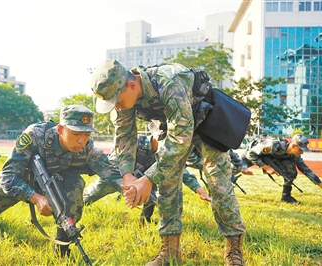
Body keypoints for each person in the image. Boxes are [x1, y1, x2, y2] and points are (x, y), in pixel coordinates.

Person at [90, 59, 246, 266]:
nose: (117, 106)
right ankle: (170, 251)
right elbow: (124, 137)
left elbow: (181, 138)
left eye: (117, 101)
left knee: (219, 183)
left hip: (205, 122)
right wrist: (128, 176)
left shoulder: (168, 81)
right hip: (172, 127)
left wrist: (147, 179)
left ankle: (234, 250)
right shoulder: (123, 95)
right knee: (167, 184)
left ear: (131, 85)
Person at [0, 105, 122, 258]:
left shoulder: (87, 147)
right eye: (76, 133)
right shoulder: (35, 135)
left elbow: (110, 172)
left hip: (56, 182)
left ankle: (62, 248)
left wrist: (131, 190)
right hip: (23, 181)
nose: (81, 141)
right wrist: (36, 198)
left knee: (75, 184)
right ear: (60, 130)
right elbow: (8, 176)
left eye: (87, 134)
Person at [83, 135, 211, 224]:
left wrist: (199, 190)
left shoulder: (166, 154)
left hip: (143, 183)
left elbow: (182, 171)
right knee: (88, 197)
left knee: (153, 191)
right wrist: (130, 184)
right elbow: (113, 163)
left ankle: (145, 219)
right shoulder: (136, 142)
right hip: (118, 178)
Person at [242, 134, 322, 204]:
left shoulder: (295, 156)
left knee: (291, 172)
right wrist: (266, 167)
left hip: (271, 159)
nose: (302, 153)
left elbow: (307, 171)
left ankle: (286, 196)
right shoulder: (274, 146)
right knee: (235, 169)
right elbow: (251, 154)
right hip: (253, 153)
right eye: (300, 150)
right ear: (293, 146)